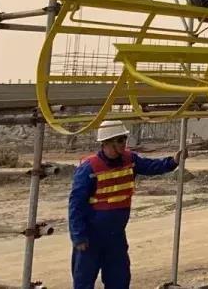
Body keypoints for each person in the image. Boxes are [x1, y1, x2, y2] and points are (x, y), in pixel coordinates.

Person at [69, 120, 183, 289]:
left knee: (119, 280)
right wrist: (78, 236)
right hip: (91, 237)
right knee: (84, 282)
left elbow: (151, 166)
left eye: (124, 139)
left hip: (116, 237)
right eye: (120, 140)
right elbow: (76, 205)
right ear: (107, 142)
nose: (124, 143)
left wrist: (173, 161)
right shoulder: (89, 169)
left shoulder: (130, 160)